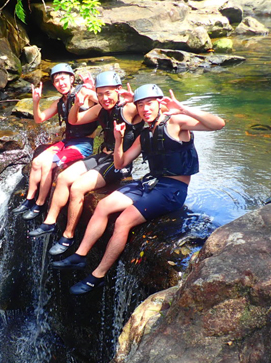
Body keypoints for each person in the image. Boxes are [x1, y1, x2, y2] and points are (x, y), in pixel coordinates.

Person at [52, 84, 226, 295]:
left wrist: (184, 109)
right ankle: (80, 255)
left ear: (159, 104)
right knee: (104, 206)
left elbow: (218, 124)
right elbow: (119, 163)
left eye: (149, 104)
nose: (145, 109)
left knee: (123, 221)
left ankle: (97, 276)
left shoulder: (176, 123)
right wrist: (118, 141)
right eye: (140, 105)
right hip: (150, 182)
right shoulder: (145, 133)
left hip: (172, 189)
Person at [28, 71, 143, 259]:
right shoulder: (100, 109)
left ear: (118, 91)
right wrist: (77, 105)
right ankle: (49, 222)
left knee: (78, 188)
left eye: (109, 93)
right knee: (64, 177)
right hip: (102, 155)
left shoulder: (128, 109)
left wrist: (134, 99)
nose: (105, 98)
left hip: (119, 163)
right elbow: (74, 120)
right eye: (100, 94)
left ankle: (68, 236)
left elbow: (153, 112)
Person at [12, 63, 98, 220]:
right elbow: (39, 119)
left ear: (72, 79)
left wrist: (94, 89)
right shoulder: (59, 102)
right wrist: (36, 101)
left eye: (64, 79)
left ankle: (39, 204)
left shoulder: (84, 92)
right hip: (67, 142)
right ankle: (29, 200)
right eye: (57, 81)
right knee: (37, 162)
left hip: (83, 145)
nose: (61, 83)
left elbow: (106, 102)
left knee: (48, 164)